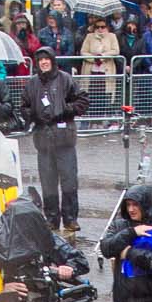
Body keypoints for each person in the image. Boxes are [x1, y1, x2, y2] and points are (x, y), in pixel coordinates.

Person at [24, 45, 87, 233]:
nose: (43, 62)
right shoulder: (32, 83)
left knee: (68, 180)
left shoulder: (66, 79)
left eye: (46, 59)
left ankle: (70, 218)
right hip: (43, 140)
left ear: (52, 60)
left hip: (64, 138)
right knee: (48, 182)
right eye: (40, 60)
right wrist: (33, 115)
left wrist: (65, 110)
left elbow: (82, 100)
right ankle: (51, 218)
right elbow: (24, 105)